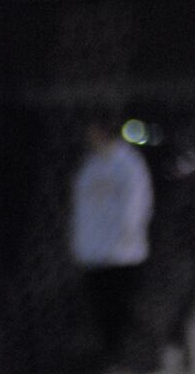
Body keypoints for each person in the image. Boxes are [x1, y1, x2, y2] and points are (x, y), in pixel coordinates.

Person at [70, 106, 154, 371]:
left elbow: (136, 205)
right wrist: (82, 246)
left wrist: (124, 239)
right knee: (102, 314)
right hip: (94, 255)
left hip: (122, 256)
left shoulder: (128, 164)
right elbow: (82, 210)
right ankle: (112, 362)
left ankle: (132, 360)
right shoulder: (91, 166)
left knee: (122, 312)